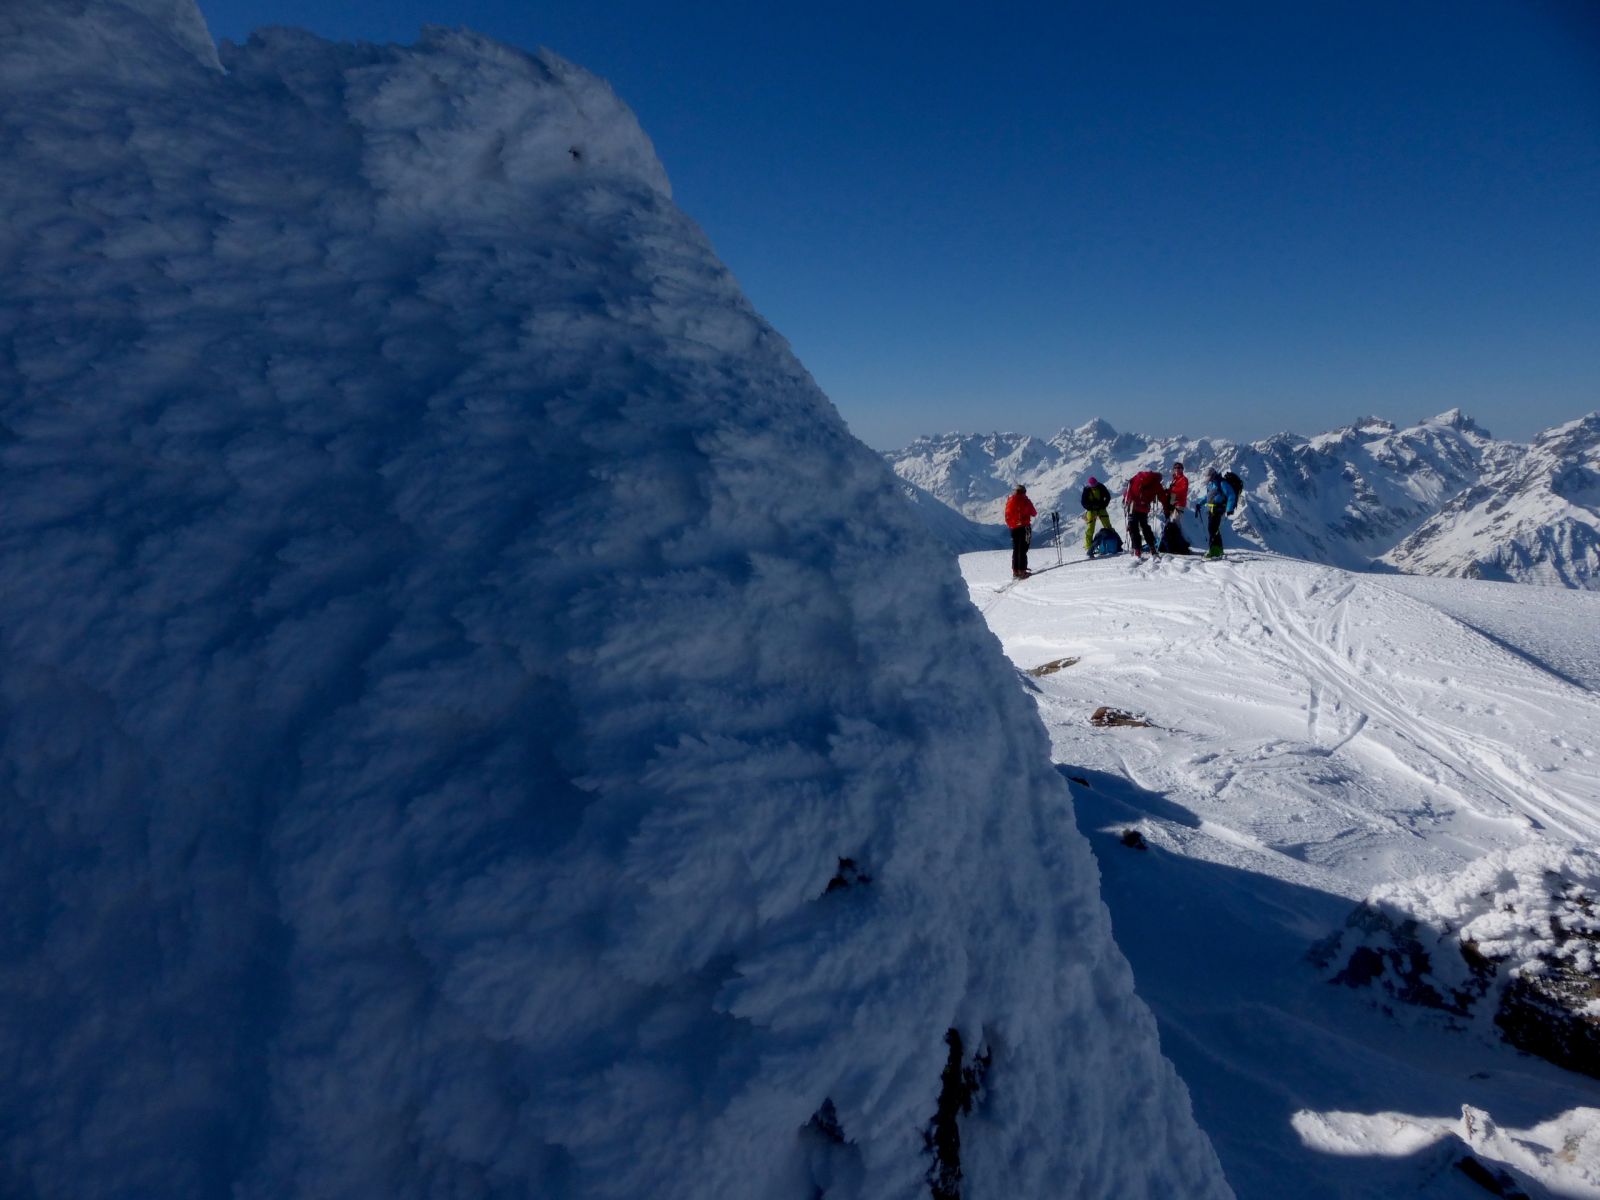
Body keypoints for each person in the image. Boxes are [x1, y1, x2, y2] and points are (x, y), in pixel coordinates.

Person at [1122, 469, 1166, 560]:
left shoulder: (1137, 477)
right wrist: (1167, 507)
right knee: (1145, 527)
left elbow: (1128, 490)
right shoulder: (1157, 484)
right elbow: (1163, 497)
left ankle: (1137, 550)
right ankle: (1152, 548)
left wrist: (1126, 501)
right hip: (1144, 508)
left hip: (1132, 506)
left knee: (1133, 528)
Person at [1195, 468, 1239, 558]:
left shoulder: (1222, 483)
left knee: (1212, 530)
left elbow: (1231, 495)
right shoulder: (1211, 484)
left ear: (1213, 475)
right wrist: (1200, 503)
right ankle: (1218, 550)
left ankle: (1213, 551)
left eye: (1209, 477)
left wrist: (1229, 509)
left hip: (1218, 510)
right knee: (1214, 530)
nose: (1208, 479)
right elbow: (1207, 497)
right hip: (1211, 510)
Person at [1004, 483, 1037, 578]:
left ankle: (1015, 571)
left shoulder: (1011, 500)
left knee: (1016, 549)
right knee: (1023, 549)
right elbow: (1034, 513)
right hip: (1024, 527)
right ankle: (1022, 571)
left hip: (1013, 528)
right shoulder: (1025, 500)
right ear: (1024, 492)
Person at [1080, 476, 1112, 557]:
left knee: (1107, 526)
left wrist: (1103, 505)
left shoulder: (1100, 487)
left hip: (1099, 508)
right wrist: (1092, 507)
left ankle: (1111, 542)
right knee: (1091, 528)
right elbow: (1084, 502)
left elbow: (1108, 496)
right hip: (1092, 510)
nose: (1094, 486)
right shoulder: (1087, 490)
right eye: (1093, 485)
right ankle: (1089, 546)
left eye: (1095, 485)